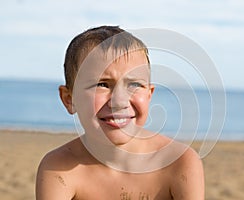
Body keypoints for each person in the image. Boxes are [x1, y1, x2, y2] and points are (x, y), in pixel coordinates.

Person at [36, 25, 204, 200]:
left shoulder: (180, 162)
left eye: (134, 85)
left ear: (149, 95)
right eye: (102, 84)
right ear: (69, 99)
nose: (119, 101)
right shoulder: (58, 167)